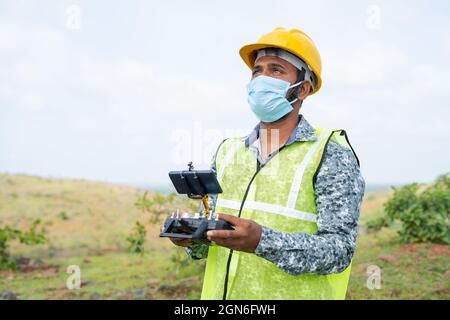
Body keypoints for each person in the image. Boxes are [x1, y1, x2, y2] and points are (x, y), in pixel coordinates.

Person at [168, 27, 365, 300]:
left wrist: (263, 242)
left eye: (276, 70)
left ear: (303, 88)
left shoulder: (329, 153)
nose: (262, 79)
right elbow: (212, 235)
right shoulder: (228, 152)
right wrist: (191, 238)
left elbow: (339, 250)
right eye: (257, 70)